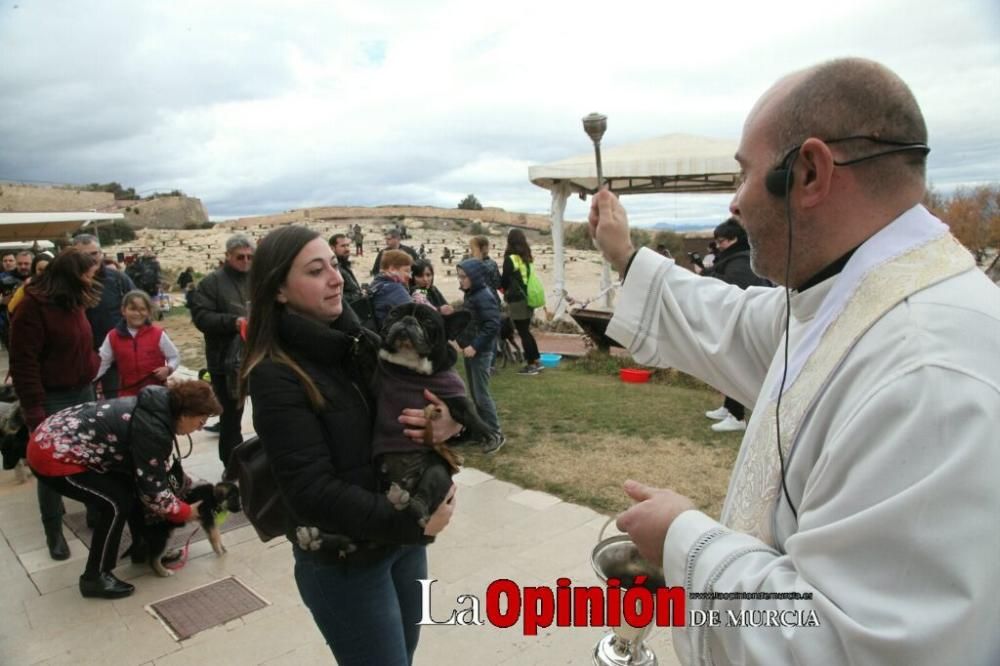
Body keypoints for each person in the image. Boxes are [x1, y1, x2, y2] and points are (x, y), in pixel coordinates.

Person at [590, 58, 1000, 665]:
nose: (734, 204)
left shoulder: (925, 373)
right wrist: (626, 257)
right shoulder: (850, 298)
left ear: (809, 172)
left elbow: (845, 645)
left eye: (744, 175)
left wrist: (684, 538)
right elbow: (733, 323)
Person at [240, 225, 458, 664]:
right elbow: (310, 490)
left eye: (335, 266)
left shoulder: (359, 342)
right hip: (344, 561)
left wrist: (449, 422)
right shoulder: (275, 374)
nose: (336, 278)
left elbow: (421, 402)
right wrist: (413, 524)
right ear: (279, 291)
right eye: (316, 271)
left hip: (401, 546)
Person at [26, 381, 220, 599]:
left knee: (128, 488)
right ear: (185, 414)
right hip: (52, 455)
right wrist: (185, 511)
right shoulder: (154, 430)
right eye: (201, 420)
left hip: (54, 438)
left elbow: (153, 468)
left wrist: (183, 485)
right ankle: (94, 577)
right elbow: (154, 491)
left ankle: (143, 548)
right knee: (115, 503)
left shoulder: (159, 408)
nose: (201, 427)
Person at [9, 248, 101, 560]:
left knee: (88, 457)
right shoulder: (32, 307)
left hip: (82, 391)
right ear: (71, 277)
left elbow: (81, 341)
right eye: (87, 276)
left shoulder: (74, 300)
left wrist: (92, 363)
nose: (92, 281)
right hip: (52, 396)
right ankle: (54, 533)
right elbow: (24, 364)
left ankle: (94, 512)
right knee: (50, 467)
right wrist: (34, 411)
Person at [696, 218, 772, 432]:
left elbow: (730, 289)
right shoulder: (736, 258)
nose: (718, 245)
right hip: (739, 322)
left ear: (735, 239)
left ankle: (737, 416)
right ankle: (730, 408)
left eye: (722, 241)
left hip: (747, 324)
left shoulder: (741, 261)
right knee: (730, 364)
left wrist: (707, 276)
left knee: (737, 365)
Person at [190, 234, 253, 469]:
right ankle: (233, 468)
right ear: (228, 256)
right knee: (230, 419)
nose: (245, 261)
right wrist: (233, 322)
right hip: (224, 361)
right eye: (240, 257)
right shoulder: (211, 283)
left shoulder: (257, 279)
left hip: (256, 356)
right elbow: (201, 317)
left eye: (250, 257)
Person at [72, 233, 137, 399]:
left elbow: (139, 309)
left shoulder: (118, 279)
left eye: (94, 254)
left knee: (115, 401)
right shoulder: (67, 282)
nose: (91, 259)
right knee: (85, 405)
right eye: (84, 255)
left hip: (114, 354)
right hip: (80, 357)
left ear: (101, 253)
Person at [455, 259, 504, 452]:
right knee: (475, 394)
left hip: (481, 352)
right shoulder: (472, 294)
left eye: (463, 277)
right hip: (471, 350)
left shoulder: (483, 295)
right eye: (459, 276)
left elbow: (492, 325)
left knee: (482, 395)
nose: (461, 280)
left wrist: (475, 346)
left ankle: (495, 434)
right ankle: (480, 431)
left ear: (474, 277)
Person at [95, 290, 180, 397]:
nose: (137, 313)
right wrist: (89, 382)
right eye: (132, 309)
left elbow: (174, 356)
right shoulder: (113, 336)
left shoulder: (158, 334)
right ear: (123, 310)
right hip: (127, 395)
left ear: (149, 311)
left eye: (142, 309)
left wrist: (168, 369)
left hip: (156, 395)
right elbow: (102, 363)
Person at [500, 229, 542, 375]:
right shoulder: (526, 257)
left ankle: (531, 365)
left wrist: (501, 289)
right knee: (527, 331)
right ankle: (536, 360)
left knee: (523, 332)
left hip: (517, 300)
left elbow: (504, 280)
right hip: (528, 298)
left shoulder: (510, 259)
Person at [369, 249, 414, 330]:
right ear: (392, 269)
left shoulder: (376, 284)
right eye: (406, 271)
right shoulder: (395, 289)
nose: (410, 276)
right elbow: (414, 316)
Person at [329, 233, 363, 304]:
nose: (347, 249)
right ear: (332, 248)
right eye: (343, 246)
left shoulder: (344, 264)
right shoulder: (331, 269)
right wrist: (359, 295)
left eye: (348, 245)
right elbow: (333, 296)